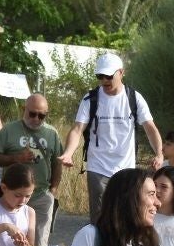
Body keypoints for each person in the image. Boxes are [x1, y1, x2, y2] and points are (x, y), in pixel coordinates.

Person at [58, 53, 164, 223]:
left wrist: (159, 153)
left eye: (108, 76)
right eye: (100, 76)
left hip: (126, 168)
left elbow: (150, 128)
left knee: (126, 215)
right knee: (100, 217)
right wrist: (69, 152)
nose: (104, 80)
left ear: (121, 73)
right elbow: (77, 129)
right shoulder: (90, 100)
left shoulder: (134, 98)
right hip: (98, 167)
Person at [0, 93, 62, 246]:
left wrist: (54, 188)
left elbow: (57, 161)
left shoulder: (51, 133)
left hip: (41, 193)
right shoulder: (10, 131)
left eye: (41, 116)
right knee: (16, 236)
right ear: (24, 109)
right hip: (14, 195)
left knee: (39, 239)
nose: (36, 119)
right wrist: (15, 158)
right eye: (32, 114)